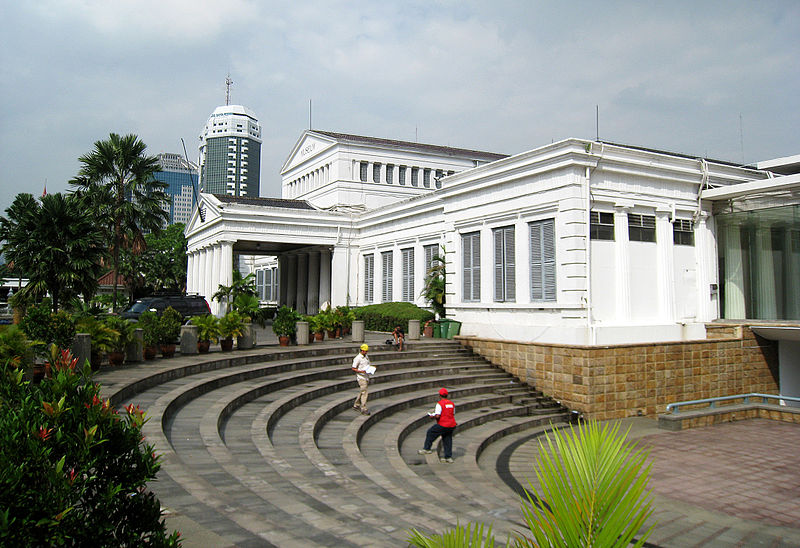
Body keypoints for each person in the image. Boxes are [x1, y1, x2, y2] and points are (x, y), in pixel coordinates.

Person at [418, 388, 457, 463]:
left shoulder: (440, 404)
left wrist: (432, 416)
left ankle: (427, 449)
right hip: (451, 424)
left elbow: (438, 415)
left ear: (440, 395)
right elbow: (453, 413)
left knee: (430, 432)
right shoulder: (451, 404)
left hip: (443, 424)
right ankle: (448, 457)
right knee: (447, 439)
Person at [351, 343, 374, 415]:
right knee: (365, 392)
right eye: (365, 351)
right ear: (362, 350)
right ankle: (363, 408)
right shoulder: (358, 358)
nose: (366, 352)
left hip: (366, 376)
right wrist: (361, 371)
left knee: (362, 391)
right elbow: (353, 368)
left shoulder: (366, 356)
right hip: (361, 377)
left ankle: (356, 405)